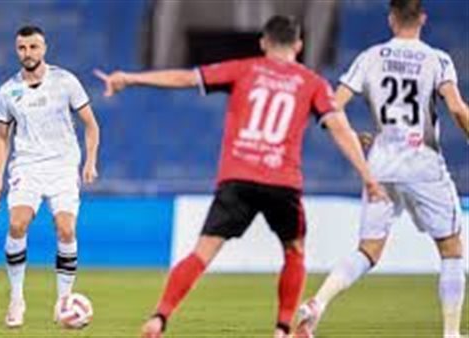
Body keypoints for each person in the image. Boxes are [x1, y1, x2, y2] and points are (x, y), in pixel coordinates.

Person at [96, 16, 386, 338]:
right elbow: (340, 128)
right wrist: (368, 177)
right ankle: (281, 329)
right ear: (299, 45)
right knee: (294, 250)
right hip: (283, 181)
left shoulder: (244, 69)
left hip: (238, 177)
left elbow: (185, 78)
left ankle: (159, 318)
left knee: (202, 252)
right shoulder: (313, 82)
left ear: (263, 42)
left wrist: (131, 78)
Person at [295, 1, 469, 337]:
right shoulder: (437, 59)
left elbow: (330, 106)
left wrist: (348, 134)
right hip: (423, 166)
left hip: (380, 166)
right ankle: (450, 333)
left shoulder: (370, 57)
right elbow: (458, 109)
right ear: (422, 19)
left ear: (391, 19)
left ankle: (318, 303)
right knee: (451, 247)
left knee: (368, 250)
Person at [0, 25, 100, 328]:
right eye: (22, 48)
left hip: (63, 166)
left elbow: (91, 125)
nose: (28, 53)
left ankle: (64, 301)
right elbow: (1, 137)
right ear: (17, 51)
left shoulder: (66, 82)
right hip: (27, 166)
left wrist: (90, 161)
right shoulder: (8, 91)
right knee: (17, 223)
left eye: (33, 47)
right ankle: (16, 298)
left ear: (44, 48)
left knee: (65, 229)